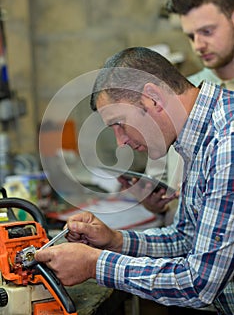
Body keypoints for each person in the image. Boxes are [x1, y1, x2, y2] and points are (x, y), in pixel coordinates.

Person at [35, 47, 234, 314]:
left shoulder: (227, 142)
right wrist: (116, 241)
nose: (121, 143)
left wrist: (95, 264)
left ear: (152, 98)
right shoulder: (198, 138)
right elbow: (187, 240)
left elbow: (199, 283)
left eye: (120, 123)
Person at [141, 0, 234, 220]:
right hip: (185, 242)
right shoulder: (185, 93)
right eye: (190, 36)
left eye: (207, 31)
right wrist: (159, 202)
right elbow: (172, 180)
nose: (198, 45)